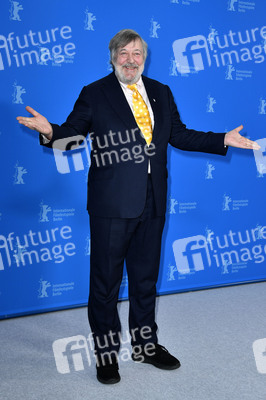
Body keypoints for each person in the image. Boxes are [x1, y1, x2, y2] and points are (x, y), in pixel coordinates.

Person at [17, 29, 260, 385]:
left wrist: (221, 139)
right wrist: (50, 132)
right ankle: (105, 354)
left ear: (144, 58)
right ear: (112, 56)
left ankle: (146, 347)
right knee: (105, 284)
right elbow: (73, 136)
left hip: (153, 200)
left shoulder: (160, 92)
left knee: (145, 281)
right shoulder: (95, 93)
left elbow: (179, 134)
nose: (130, 60)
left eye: (137, 54)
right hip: (111, 204)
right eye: (123, 53)